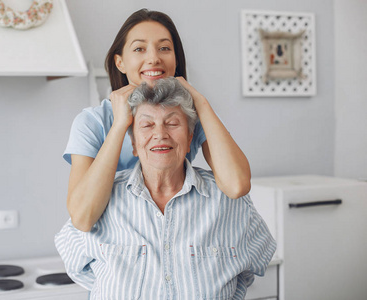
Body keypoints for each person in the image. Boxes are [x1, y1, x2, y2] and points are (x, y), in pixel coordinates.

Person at [55, 78, 276, 299]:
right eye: (147, 125)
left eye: (172, 123)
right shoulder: (102, 201)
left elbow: (248, 270)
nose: (160, 134)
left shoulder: (226, 202)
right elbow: (80, 270)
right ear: (133, 144)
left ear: (190, 138)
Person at [64, 9, 251, 232]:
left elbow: (237, 185)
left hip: (175, 234)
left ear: (176, 60)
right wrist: (120, 124)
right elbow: (83, 218)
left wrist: (200, 102)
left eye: (164, 48)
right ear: (120, 62)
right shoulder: (92, 122)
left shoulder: (196, 114)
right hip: (115, 247)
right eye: (139, 48)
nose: (154, 58)